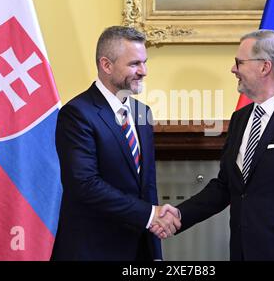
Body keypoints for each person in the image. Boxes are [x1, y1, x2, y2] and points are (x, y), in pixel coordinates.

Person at [154, 29, 274, 260]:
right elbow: (225, 186)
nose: (233, 69)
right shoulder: (240, 118)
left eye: (239, 62)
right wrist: (179, 213)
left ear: (264, 67)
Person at [51, 26, 180, 261]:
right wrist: (150, 215)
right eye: (134, 64)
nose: (144, 71)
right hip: (92, 250)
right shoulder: (77, 114)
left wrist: (154, 252)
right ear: (106, 65)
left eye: (144, 62)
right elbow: (85, 184)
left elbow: (147, 186)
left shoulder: (143, 113)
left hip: (137, 250)